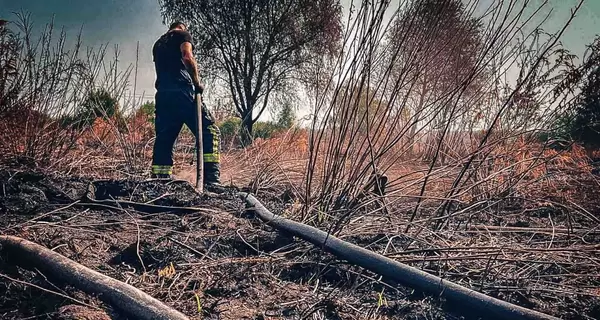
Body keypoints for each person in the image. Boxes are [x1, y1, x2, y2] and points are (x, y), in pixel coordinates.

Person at [151, 21, 222, 189]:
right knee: (210, 131)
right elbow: (187, 56)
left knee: (164, 137)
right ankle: (211, 181)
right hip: (182, 93)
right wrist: (197, 83)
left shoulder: (158, 44)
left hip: (162, 96)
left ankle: (160, 179)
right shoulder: (182, 35)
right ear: (182, 27)